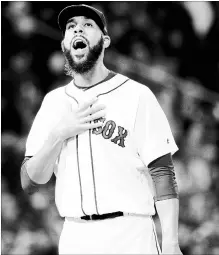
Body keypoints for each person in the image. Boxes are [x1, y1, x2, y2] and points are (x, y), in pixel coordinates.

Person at [21, 4, 183, 255]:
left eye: (87, 25)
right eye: (71, 26)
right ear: (64, 43)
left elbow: (162, 172)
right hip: (76, 235)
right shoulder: (53, 103)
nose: (78, 29)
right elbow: (30, 180)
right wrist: (58, 134)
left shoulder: (136, 95)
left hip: (130, 233)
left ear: (105, 40)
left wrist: (171, 242)